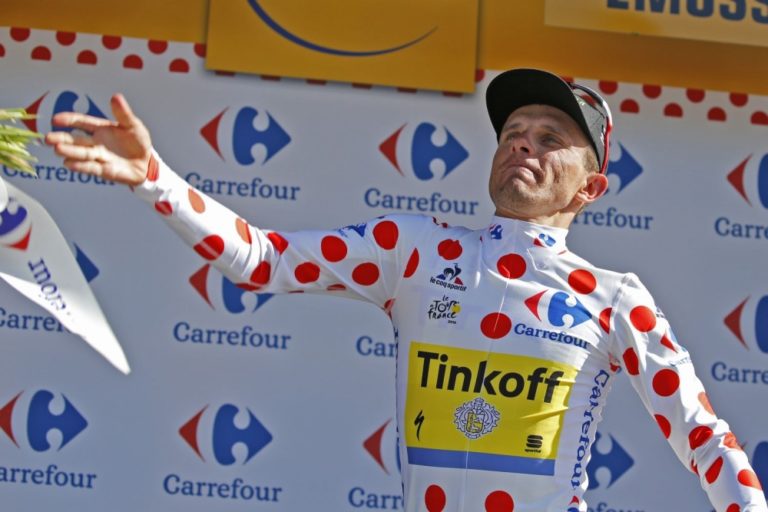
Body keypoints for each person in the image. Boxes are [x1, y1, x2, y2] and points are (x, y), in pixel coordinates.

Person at [45, 69, 767, 511]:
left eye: (551, 138)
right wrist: (155, 179)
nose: (523, 141)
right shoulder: (414, 248)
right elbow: (261, 261)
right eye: (513, 131)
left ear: (591, 188)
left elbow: (705, 438)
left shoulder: (614, 298)